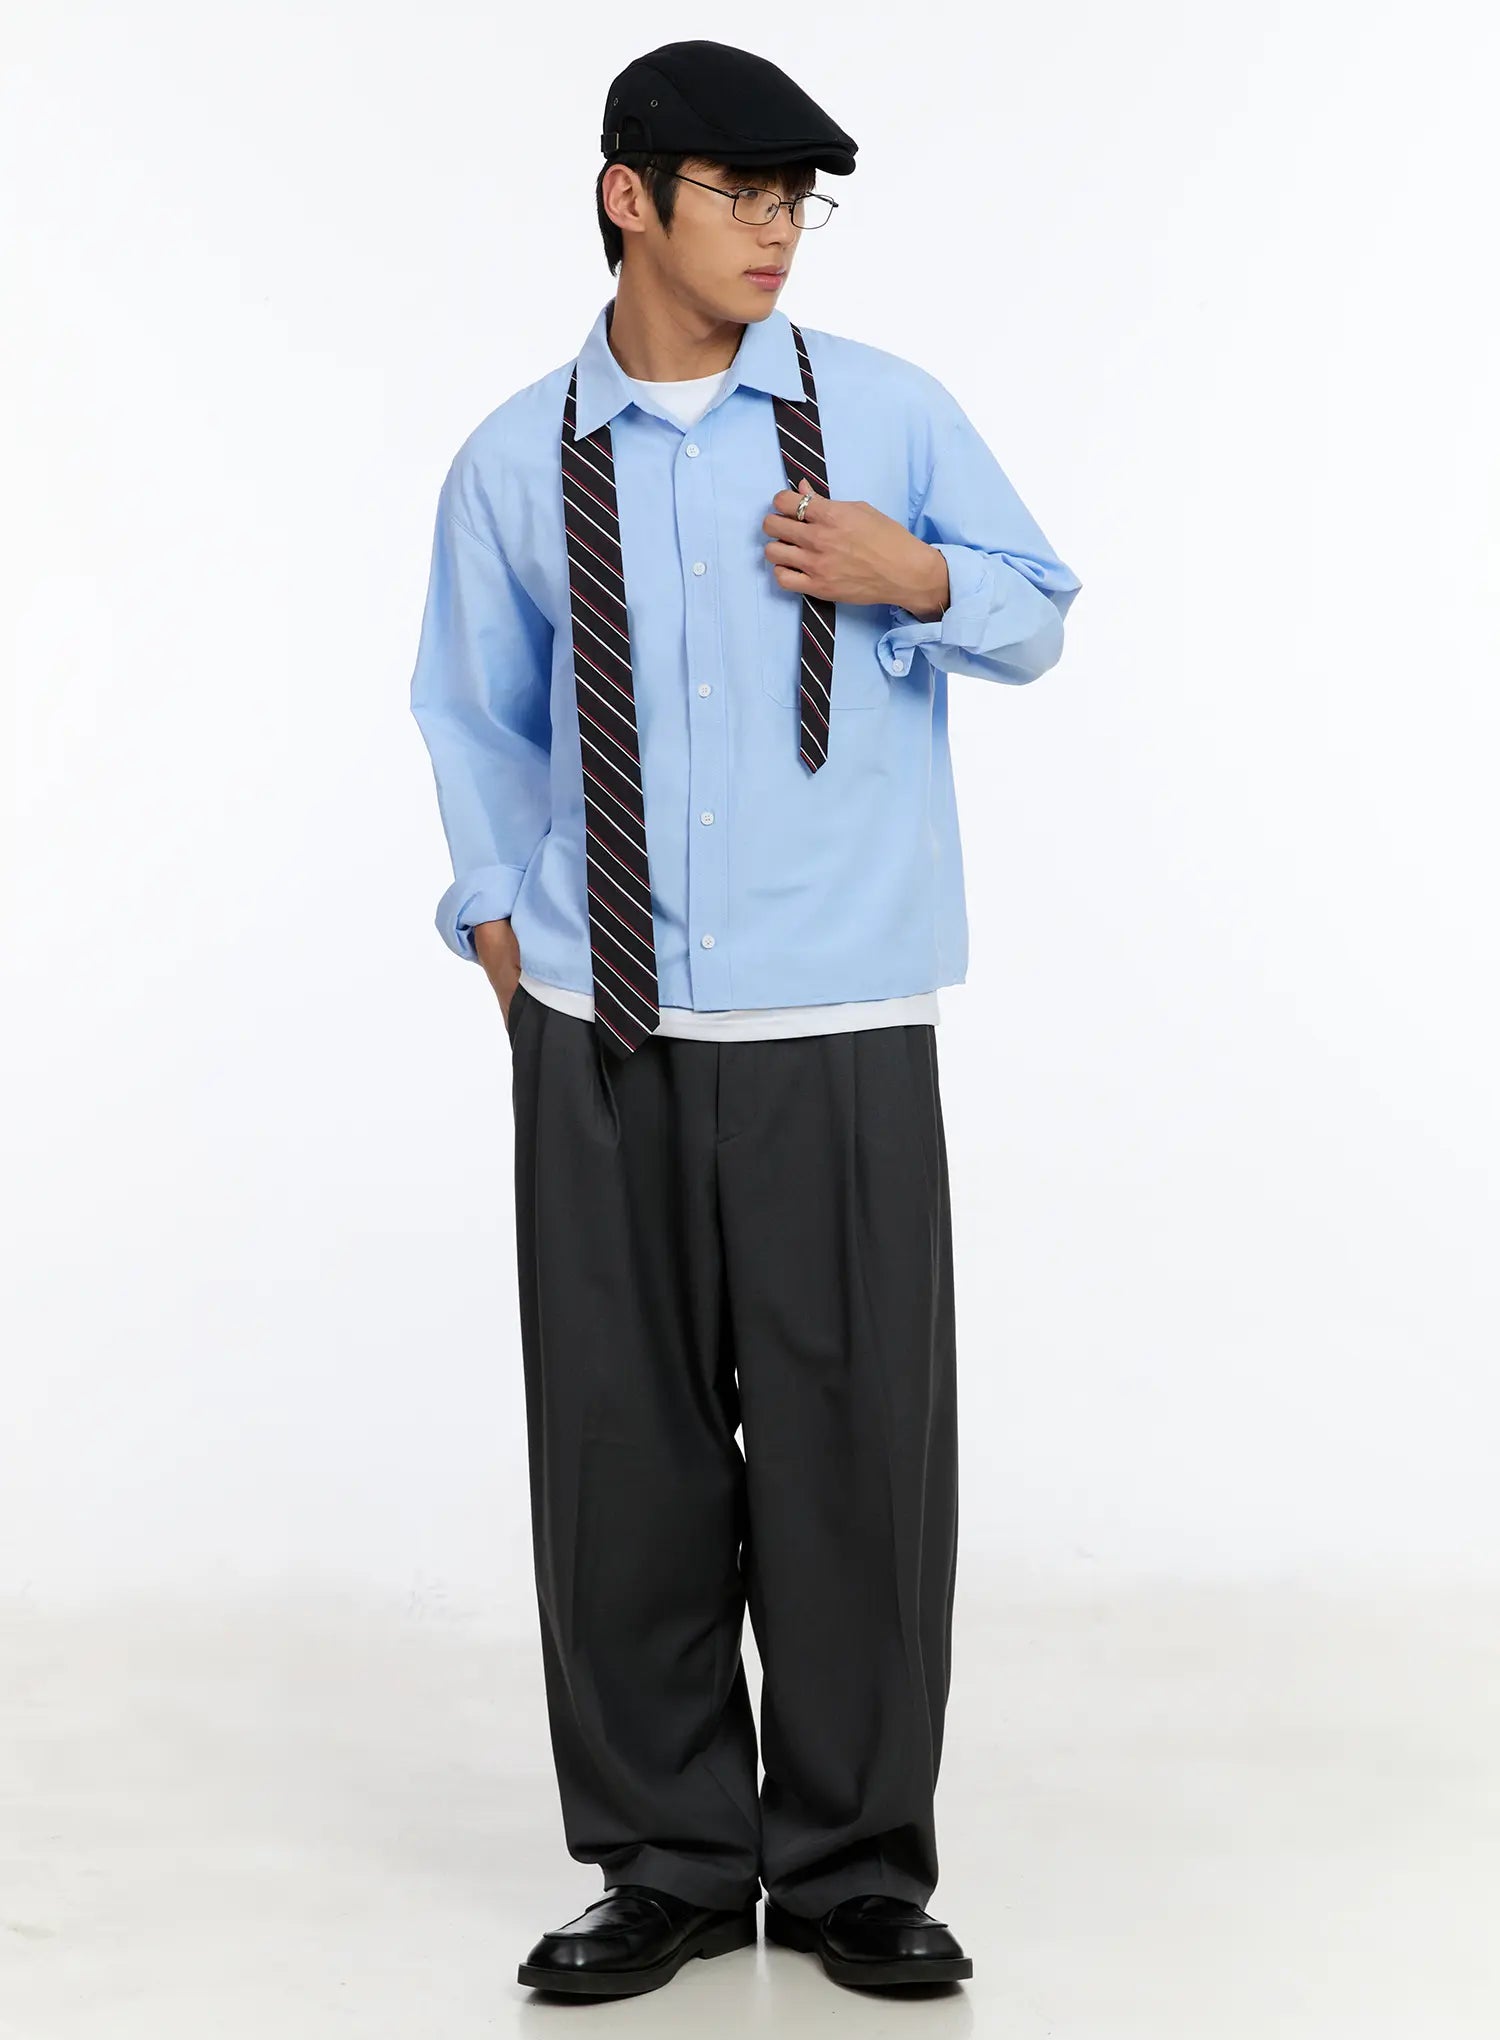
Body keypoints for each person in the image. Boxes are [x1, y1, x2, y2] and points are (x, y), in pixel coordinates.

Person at [408, 37, 1082, 2000]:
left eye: (801, 199)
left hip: (836, 1025)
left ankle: (857, 1868)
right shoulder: (515, 461)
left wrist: (913, 570)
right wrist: (501, 937)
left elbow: (1039, 608)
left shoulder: (887, 414)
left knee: (859, 1453)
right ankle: (672, 1862)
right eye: (742, 192)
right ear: (631, 197)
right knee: (621, 1459)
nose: (780, 228)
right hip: (599, 1025)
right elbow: (474, 712)